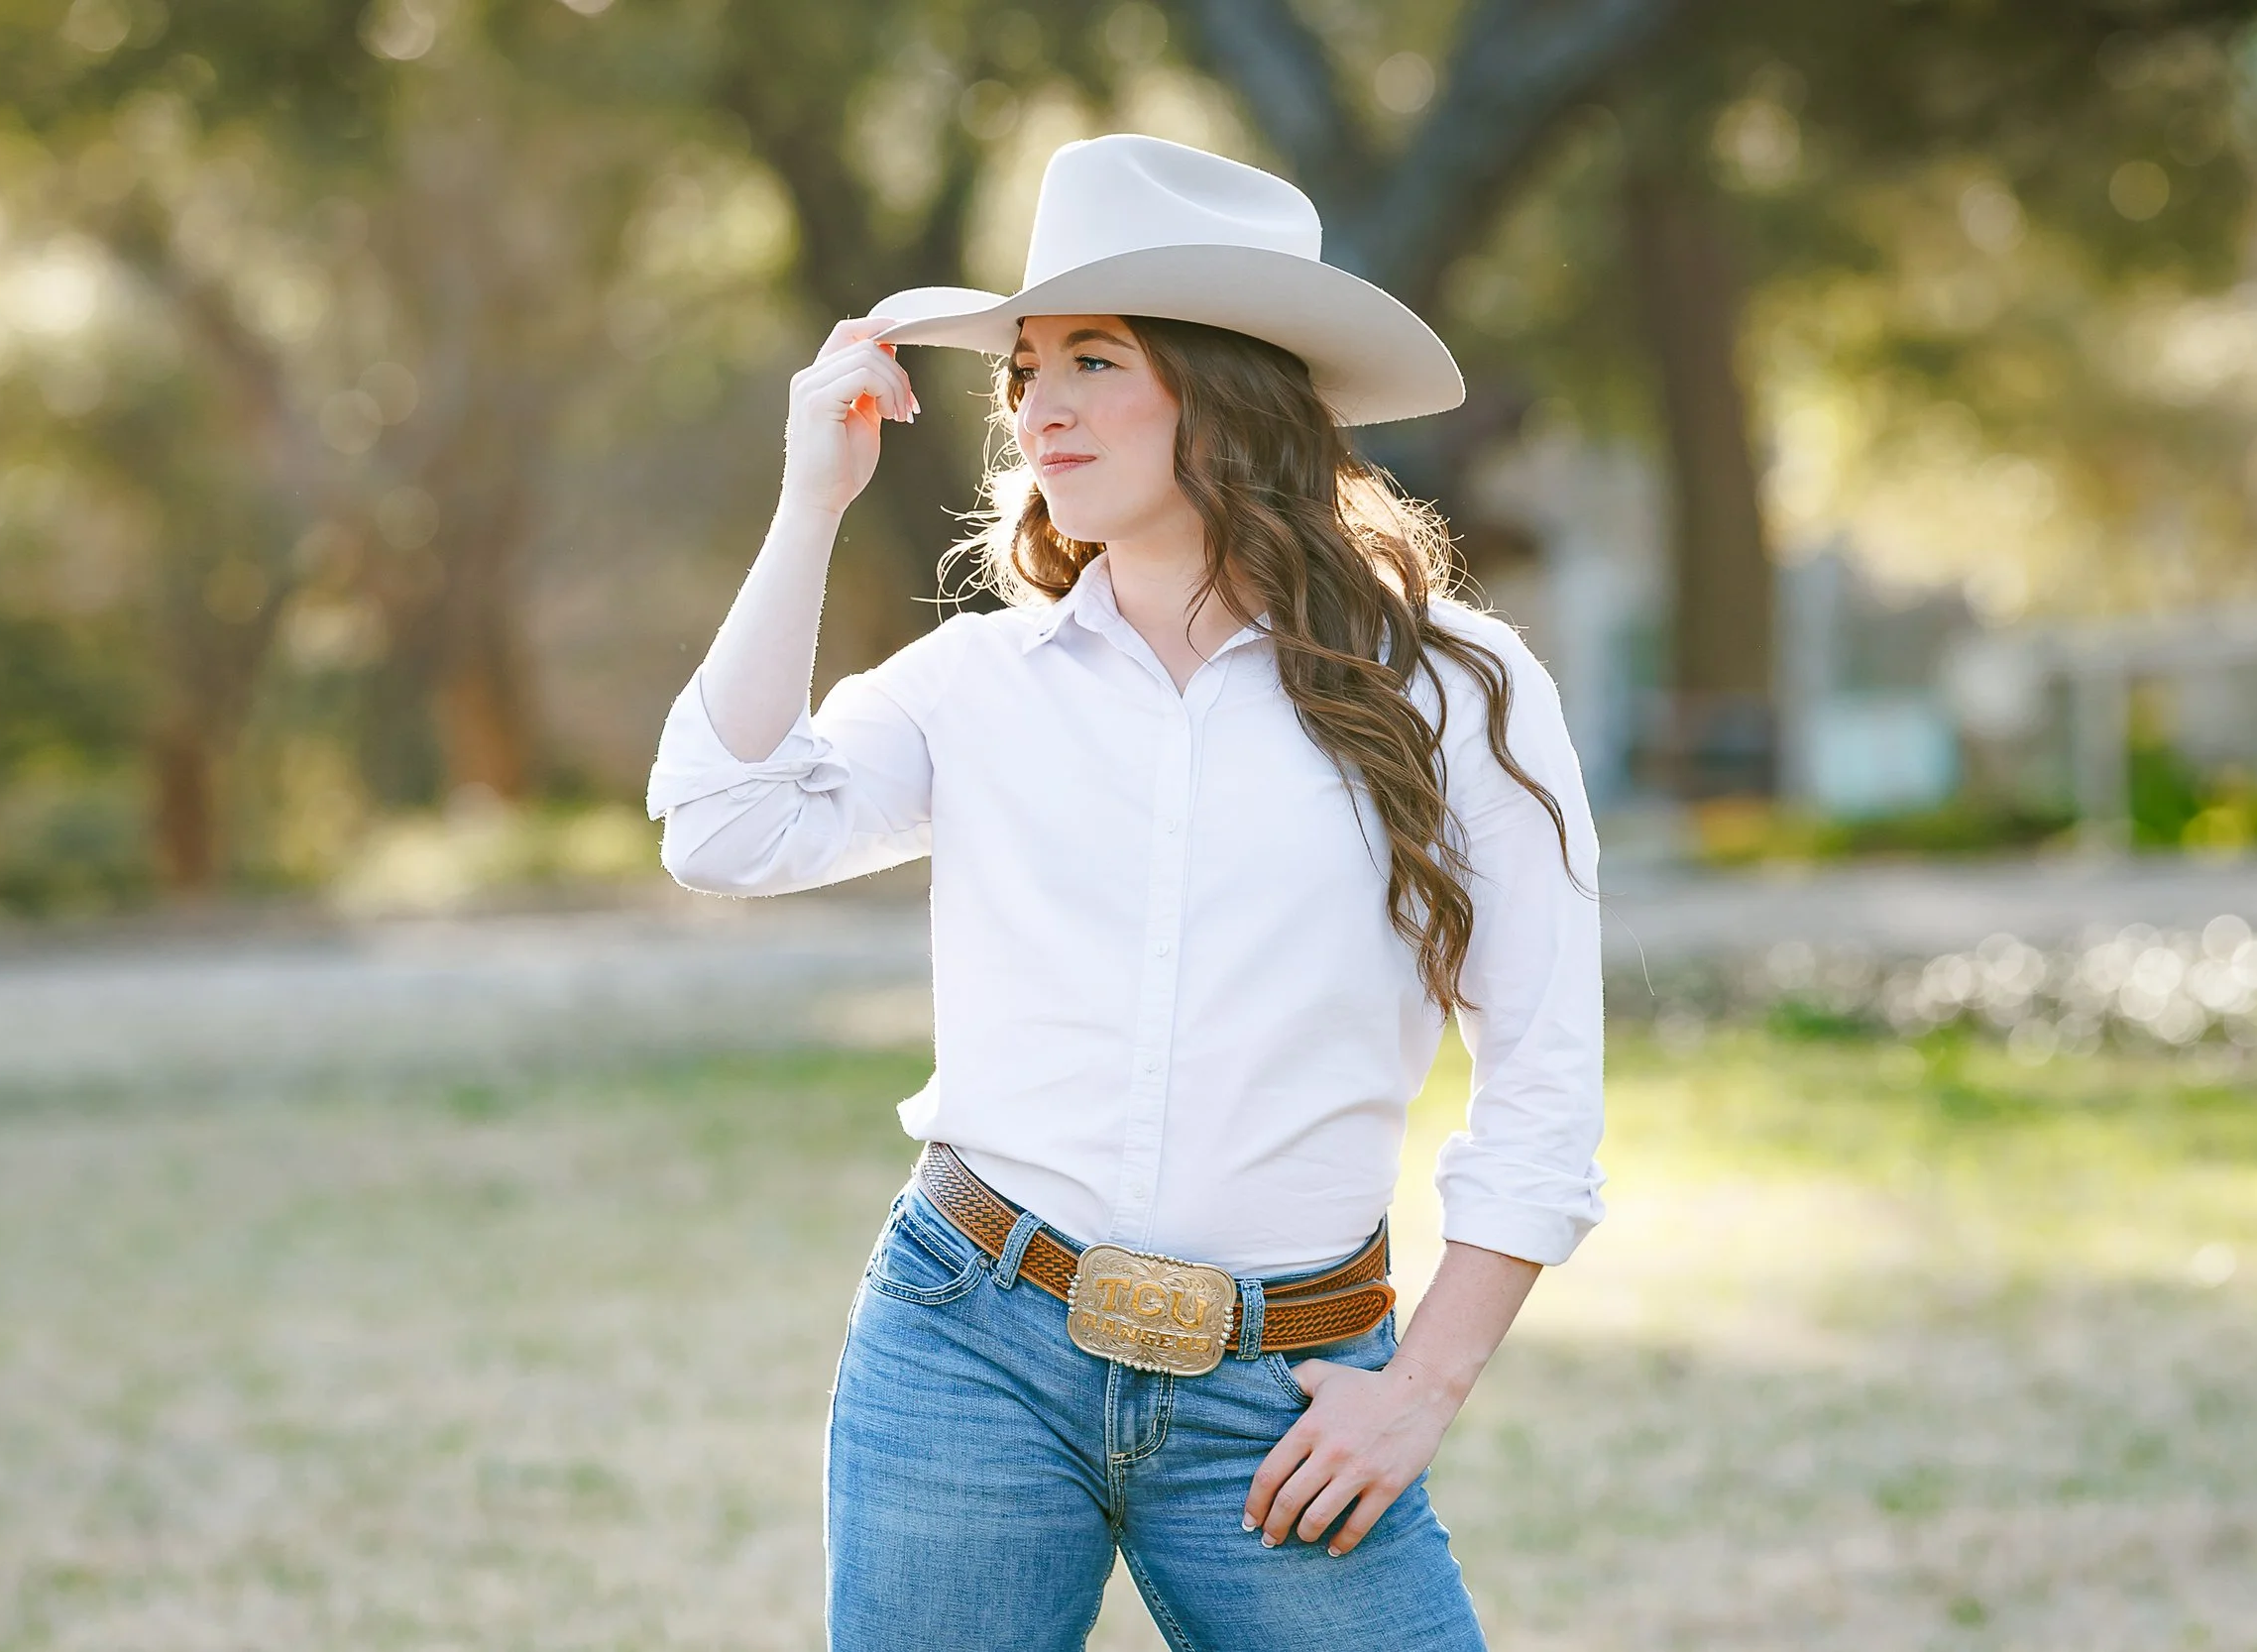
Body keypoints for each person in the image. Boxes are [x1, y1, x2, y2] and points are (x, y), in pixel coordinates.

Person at [646, 133, 1604, 1651]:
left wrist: (1417, 1392)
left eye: (1094, 359)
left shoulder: (1459, 692)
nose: (1038, 407)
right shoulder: (981, 683)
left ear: (1229, 389)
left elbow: (1546, 1080)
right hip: (970, 1344)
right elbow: (720, 826)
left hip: (1281, 1391)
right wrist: (810, 502)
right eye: (1026, 368)